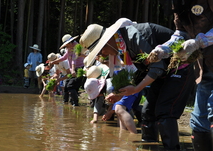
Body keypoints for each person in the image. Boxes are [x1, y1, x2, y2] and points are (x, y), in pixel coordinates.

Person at [79, 18, 195, 150]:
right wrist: (119, 95)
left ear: (106, 43)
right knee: (147, 113)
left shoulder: (133, 35)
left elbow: (157, 66)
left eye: (100, 51)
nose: (102, 55)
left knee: (165, 112)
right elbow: (142, 72)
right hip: (163, 73)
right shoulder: (122, 44)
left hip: (181, 66)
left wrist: (135, 89)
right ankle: (149, 147)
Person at [146, 1, 213, 151]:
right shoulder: (178, 4)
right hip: (204, 67)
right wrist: (164, 49)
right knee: (198, 122)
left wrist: (199, 41)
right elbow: (180, 33)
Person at [59, 34, 86, 106]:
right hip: (73, 69)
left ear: (70, 43)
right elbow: (64, 57)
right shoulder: (69, 48)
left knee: (71, 86)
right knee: (66, 86)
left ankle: (75, 103)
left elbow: (74, 60)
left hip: (78, 68)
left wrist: (73, 70)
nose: (66, 47)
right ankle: (66, 102)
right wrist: (54, 61)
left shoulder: (76, 47)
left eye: (66, 45)